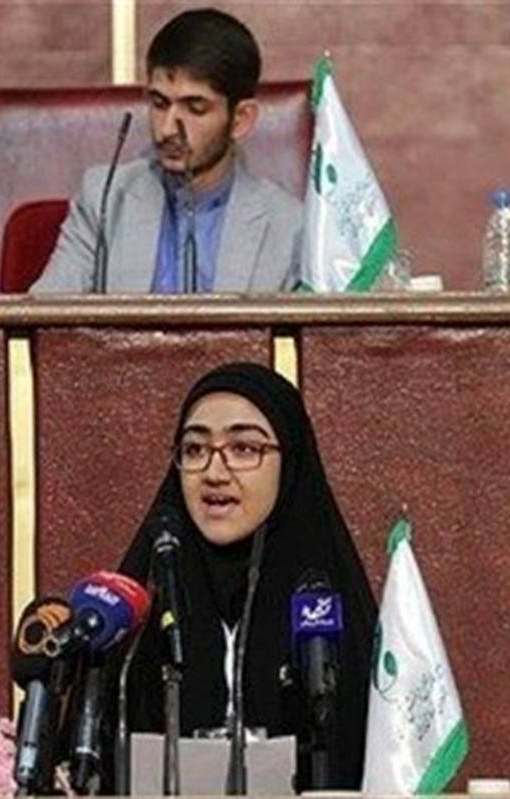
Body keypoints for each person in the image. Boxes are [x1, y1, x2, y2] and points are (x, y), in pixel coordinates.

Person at [110, 362, 377, 790]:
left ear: (290, 463)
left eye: (244, 449)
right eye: (195, 450)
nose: (215, 473)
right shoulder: (150, 599)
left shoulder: (324, 601)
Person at [30, 9, 303, 294]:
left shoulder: (289, 227)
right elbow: (46, 311)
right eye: (160, 103)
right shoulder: (105, 199)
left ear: (240, 119)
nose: (168, 129)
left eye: (195, 108)